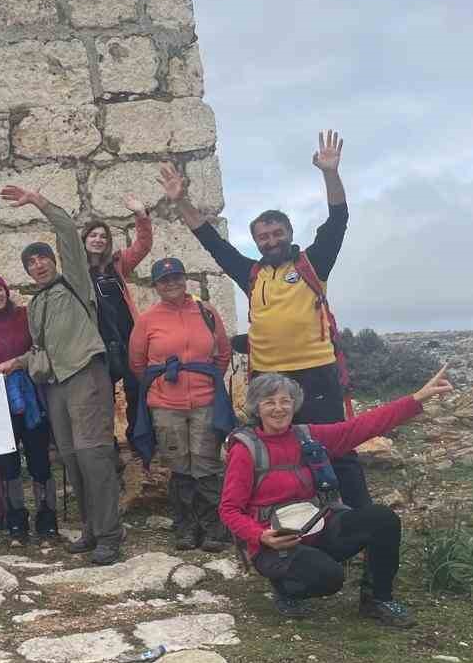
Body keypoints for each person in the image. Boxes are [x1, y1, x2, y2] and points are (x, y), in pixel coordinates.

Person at [159, 131, 368, 512]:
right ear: (256, 241)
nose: (270, 240)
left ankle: (362, 522)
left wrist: (330, 174)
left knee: (337, 449)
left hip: (315, 372)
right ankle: (299, 521)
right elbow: (212, 242)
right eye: (263, 236)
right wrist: (181, 202)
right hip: (269, 379)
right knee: (279, 453)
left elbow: (338, 219)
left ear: (289, 234)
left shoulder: (311, 263)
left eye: (277, 233)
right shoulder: (252, 273)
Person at [221, 366, 454, 625]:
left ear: (295, 404)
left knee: (382, 519)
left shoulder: (309, 436)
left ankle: (377, 600)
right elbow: (229, 509)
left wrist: (418, 398)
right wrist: (261, 536)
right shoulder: (245, 450)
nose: (279, 408)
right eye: (269, 402)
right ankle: (285, 588)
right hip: (275, 544)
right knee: (329, 579)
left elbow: (363, 425)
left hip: (319, 528)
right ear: (257, 408)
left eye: (285, 401)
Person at [0, 183, 125, 565]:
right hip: (55, 388)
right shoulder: (36, 305)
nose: (37, 265)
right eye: (30, 263)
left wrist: (38, 202)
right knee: (71, 458)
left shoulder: (75, 281)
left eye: (42, 258)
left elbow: (68, 231)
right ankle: (90, 530)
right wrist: (15, 363)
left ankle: (109, 536)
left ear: (53, 260)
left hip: (85, 376)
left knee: (94, 456)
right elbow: (40, 350)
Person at [127, 258, 234, 551]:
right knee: (179, 466)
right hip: (165, 404)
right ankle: (185, 528)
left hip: (204, 400)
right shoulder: (148, 320)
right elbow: (137, 363)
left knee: (206, 464)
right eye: (164, 280)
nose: (171, 283)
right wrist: (163, 383)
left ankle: (213, 527)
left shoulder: (206, 311)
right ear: (156, 286)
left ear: (184, 278)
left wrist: (203, 379)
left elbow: (222, 353)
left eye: (176, 277)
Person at [0, 274, 57, 544]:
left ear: (6, 291)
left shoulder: (25, 316)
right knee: (8, 463)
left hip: (31, 397)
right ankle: (17, 520)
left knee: (39, 458)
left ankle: (46, 517)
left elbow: (39, 347)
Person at [82, 197, 153, 458]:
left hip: (129, 338)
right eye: (93, 235)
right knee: (104, 397)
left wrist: (141, 216)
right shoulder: (77, 271)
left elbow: (143, 245)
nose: (98, 240)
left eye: (103, 236)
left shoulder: (118, 264)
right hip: (99, 342)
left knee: (136, 390)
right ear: (85, 239)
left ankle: (137, 438)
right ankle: (107, 442)